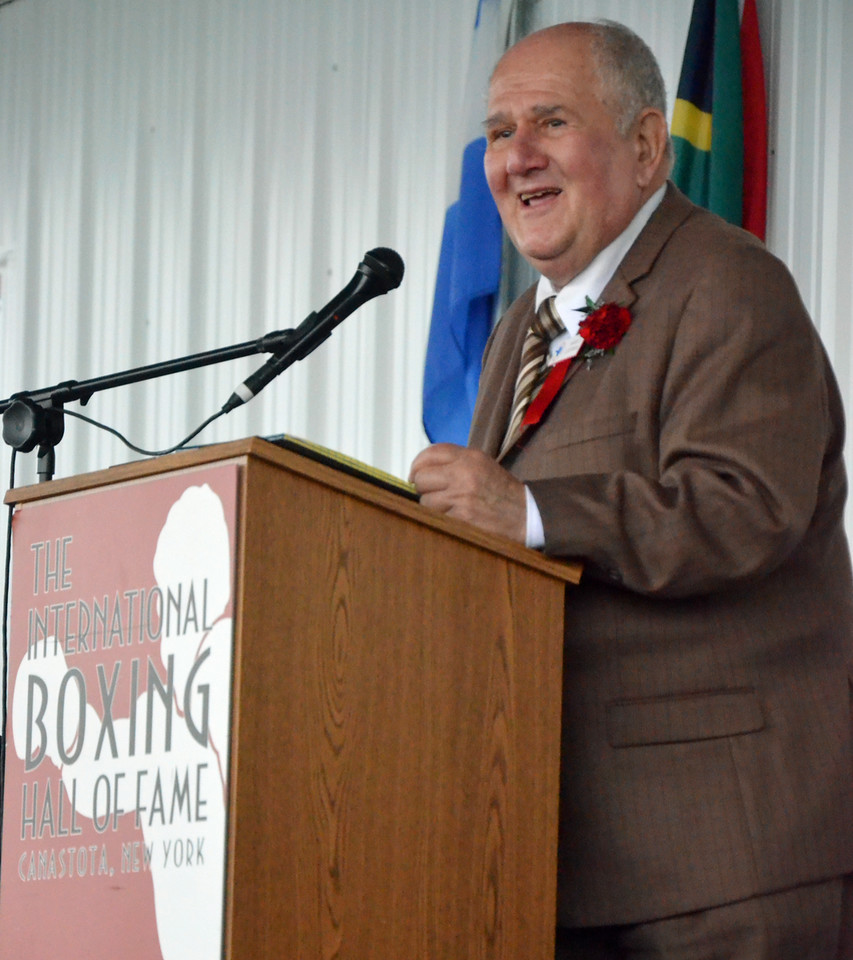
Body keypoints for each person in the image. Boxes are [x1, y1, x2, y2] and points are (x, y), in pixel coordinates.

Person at [409, 19, 853, 960]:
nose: (514, 157)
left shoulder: (729, 286)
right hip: (552, 855)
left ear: (646, 147)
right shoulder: (517, 335)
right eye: (497, 132)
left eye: (550, 122)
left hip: (721, 862)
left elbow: (743, 507)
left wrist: (527, 513)